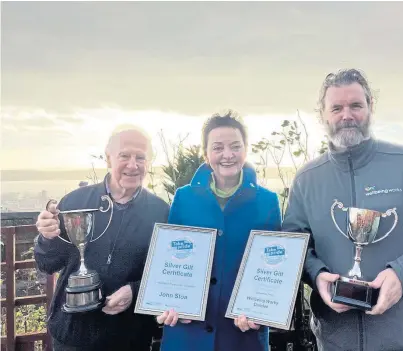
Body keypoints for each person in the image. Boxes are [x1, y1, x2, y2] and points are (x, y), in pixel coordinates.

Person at [282, 69, 403, 351]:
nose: (347, 115)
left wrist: (402, 275)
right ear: (322, 114)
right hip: (334, 342)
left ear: (370, 106)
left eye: (356, 105)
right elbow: (294, 246)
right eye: (336, 107)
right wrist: (318, 275)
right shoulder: (307, 179)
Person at [34, 125, 170, 350]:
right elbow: (47, 263)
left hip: (129, 338)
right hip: (72, 338)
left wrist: (134, 291)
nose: (133, 165)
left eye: (141, 157)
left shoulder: (160, 212)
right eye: (124, 156)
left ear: (149, 163)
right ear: (109, 159)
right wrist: (47, 238)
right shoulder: (74, 202)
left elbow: (164, 274)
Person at [156, 111, 282, 351]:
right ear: (206, 153)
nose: (227, 155)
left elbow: (274, 265)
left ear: (246, 149)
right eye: (218, 148)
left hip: (243, 336)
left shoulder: (267, 201)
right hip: (187, 334)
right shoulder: (184, 198)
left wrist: (262, 313)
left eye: (235, 146)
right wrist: (168, 303)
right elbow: (169, 263)